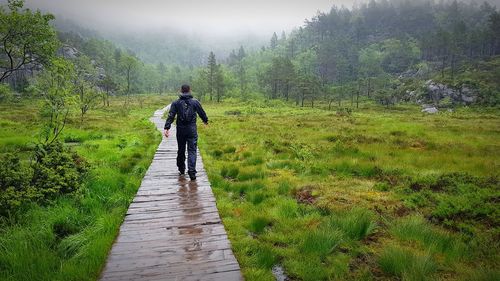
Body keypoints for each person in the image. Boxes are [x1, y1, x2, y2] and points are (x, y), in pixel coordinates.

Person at [164, 85, 208, 180]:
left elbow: (171, 115)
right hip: (192, 130)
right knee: (192, 150)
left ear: (181, 91)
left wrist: (167, 128)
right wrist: (205, 121)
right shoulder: (195, 102)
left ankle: (181, 168)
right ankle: (192, 172)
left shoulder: (176, 103)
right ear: (189, 90)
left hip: (180, 130)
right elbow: (202, 113)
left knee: (181, 149)